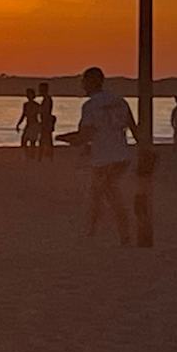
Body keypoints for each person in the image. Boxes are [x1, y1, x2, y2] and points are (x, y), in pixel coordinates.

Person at [61, 67, 139, 245]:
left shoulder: (90, 106)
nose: (82, 85)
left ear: (92, 81)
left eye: (84, 81)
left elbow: (85, 135)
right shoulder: (120, 101)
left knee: (110, 193)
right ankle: (92, 230)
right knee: (96, 193)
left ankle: (123, 234)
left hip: (105, 158)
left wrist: (65, 138)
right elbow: (134, 128)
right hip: (121, 155)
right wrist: (142, 148)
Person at [16, 88, 40, 159]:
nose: (28, 96)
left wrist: (40, 126)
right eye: (27, 94)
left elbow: (39, 116)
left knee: (32, 141)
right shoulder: (25, 105)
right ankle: (27, 155)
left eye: (29, 94)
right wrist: (18, 124)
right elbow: (23, 115)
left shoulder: (37, 105)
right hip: (28, 124)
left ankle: (32, 156)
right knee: (24, 140)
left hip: (34, 124)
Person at [37, 82, 55, 161]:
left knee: (45, 140)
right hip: (45, 121)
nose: (40, 91)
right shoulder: (46, 99)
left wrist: (44, 123)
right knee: (46, 140)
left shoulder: (47, 99)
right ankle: (45, 157)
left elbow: (46, 111)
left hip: (46, 122)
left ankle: (42, 157)